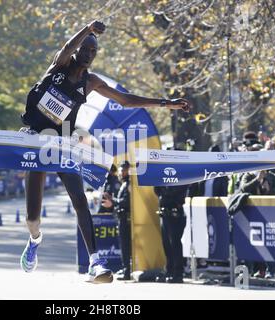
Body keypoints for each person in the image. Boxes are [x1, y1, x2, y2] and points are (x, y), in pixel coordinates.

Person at [19, 20, 191, 283]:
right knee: (32, 216)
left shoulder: (91, 82)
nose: (88, 54)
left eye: (93, 52)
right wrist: (87, 29)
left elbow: (127, 100)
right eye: (85, 49)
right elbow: (67, 45)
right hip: (36, 141)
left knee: (78, 198)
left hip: (62, 142)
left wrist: (167, 103)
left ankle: (94, 262)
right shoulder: (59, 66)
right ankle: (34, 239)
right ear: (76, 50)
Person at [154, 182, 189, 283]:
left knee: (175, 243)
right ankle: (169, 270)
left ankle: (178, 273)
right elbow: (157, 190)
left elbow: (172, 192)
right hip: (164, 213)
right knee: (167, 245)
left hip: (175, 213)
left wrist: (164, 189)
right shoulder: (164, 180)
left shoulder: (181, 179)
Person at [102, 161, 131, 280]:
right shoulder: (123, 184)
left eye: (124, 170)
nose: (121, 172)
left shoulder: (128, 184)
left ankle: (127, 271)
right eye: (121, 170)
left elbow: (126, 202)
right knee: (123, 246)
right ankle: (125, 269)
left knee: (126, 246)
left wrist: (112, 200)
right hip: (121, 218)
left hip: (126, 219)